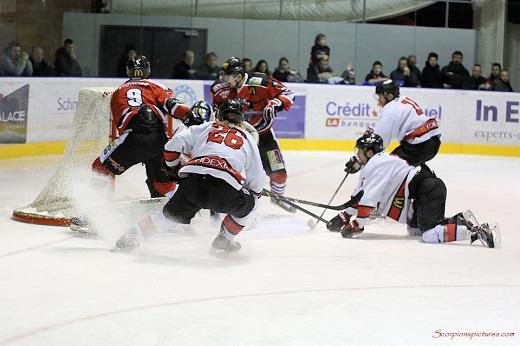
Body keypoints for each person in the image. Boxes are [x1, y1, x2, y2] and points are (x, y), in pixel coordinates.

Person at [113, 99, 266, 253]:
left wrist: (172, 168)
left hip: (193, 185)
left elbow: (171, 146)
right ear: (242, 119)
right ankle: (224, 239)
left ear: (218, 114)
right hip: (225, 190)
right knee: (252, 205)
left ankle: (129, 239)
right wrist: (251, 193)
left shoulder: (206, 127)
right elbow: (258, 179)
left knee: (164, 218)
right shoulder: (248, 138)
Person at [326, 133, 498, 248]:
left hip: (429, 189)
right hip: (423, 191)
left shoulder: (377, 164)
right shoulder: (377, 161)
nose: (357, 155)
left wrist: (357, 224)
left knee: (429, 235)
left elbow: (368, 198)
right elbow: (361, 195)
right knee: (415, 230)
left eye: (361, 151)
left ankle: (476, 232)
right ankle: (457, 220)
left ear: (370, 152)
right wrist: (345, 215)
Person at [91, 55, 204, 198]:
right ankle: (182, 210)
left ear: (128, 71)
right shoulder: (157, 87)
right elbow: (172, 105)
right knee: (164, 184)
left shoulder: (118, 92)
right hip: (160, 142)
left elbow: (120, 122)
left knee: (99, 167)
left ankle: (94, 208)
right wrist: (189, 116)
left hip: (133, 140)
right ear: (148, 70)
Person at [210, 57, 296, 212]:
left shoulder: (260, 82)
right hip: (234, 136)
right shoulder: (220, 89)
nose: (223, 79)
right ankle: (219, 203)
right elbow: (215, 113)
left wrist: (275, 103)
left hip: (262, 134)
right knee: (225, 170)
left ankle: (278, 197)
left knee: (278, 172)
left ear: (238, 76)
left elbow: (288, 93)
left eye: (227, 76)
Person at [345, 80, 440, 176]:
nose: (378, 101)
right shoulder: (401, 100)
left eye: (380, 97)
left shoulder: (391, 109)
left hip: (419, 145)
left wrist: (359, 160)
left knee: (388, 169)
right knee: (400, 168)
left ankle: (423, 185)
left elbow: (378, 142)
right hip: (431, 142)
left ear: (389, 96)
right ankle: (423, 180)